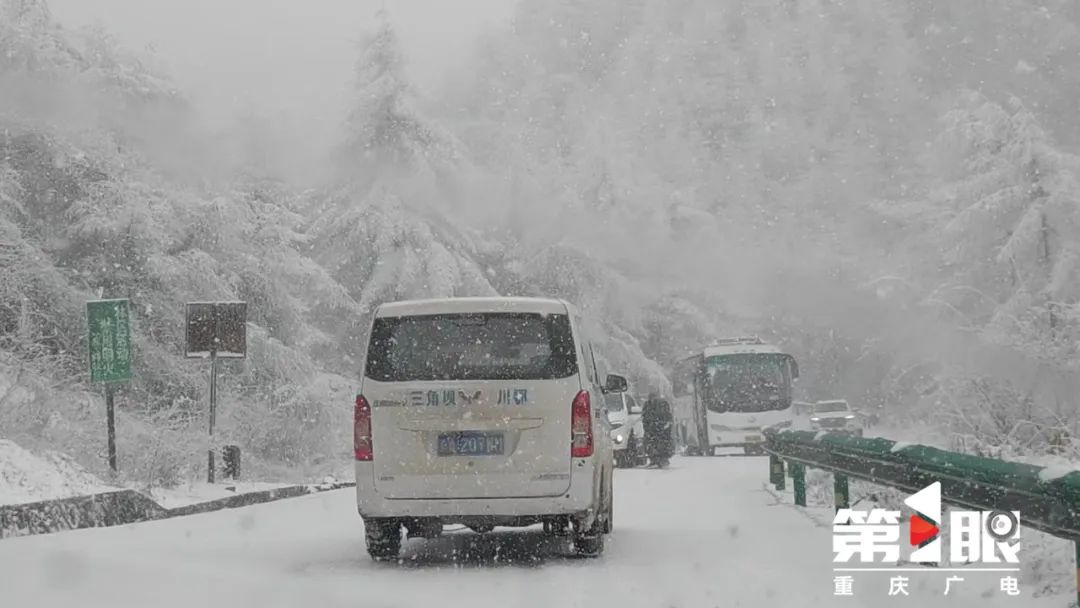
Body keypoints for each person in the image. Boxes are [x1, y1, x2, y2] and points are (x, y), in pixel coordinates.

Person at [641, 390, 675, 467]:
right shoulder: (647, 405)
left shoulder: (662, 404)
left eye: (653, 398)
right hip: (651, 430)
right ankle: (654, 459)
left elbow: (667, 416)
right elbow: (644, 417)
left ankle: (662, 459)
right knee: (650, 444)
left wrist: (664, 426)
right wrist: (647, 427)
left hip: (661, 429)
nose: (652, 399)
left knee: (662, 444)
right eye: (651, 398)